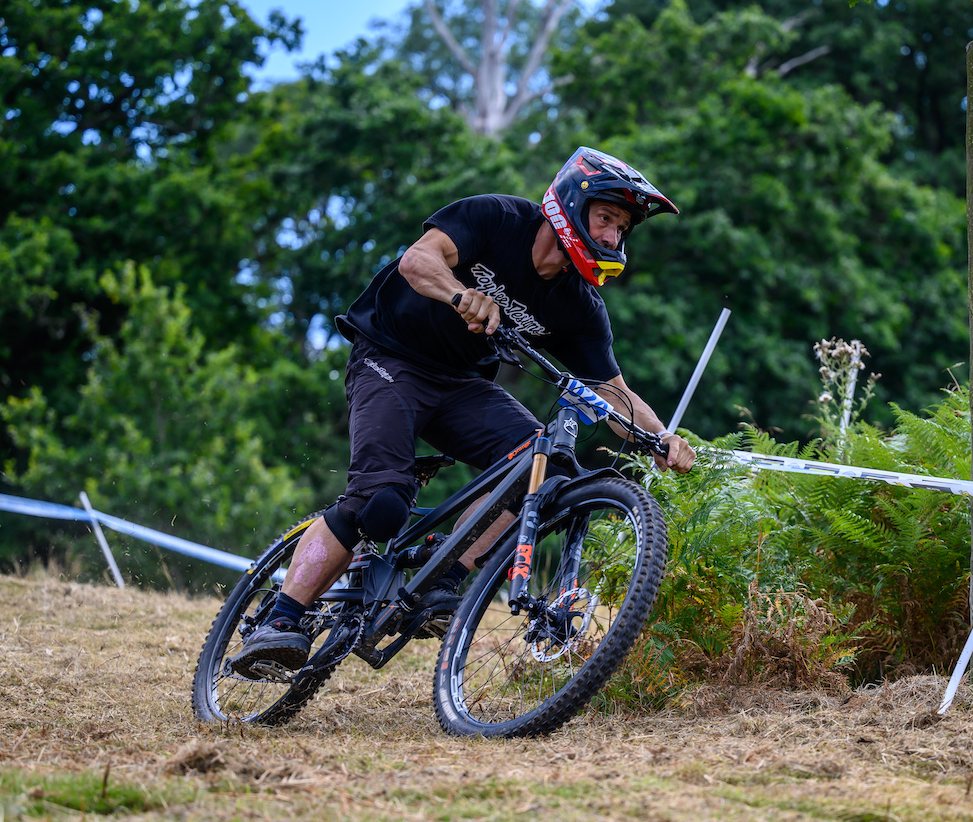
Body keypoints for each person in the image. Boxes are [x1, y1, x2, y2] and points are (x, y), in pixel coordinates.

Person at [234, 147, 697, 679]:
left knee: (545, 468)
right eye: (606, 218)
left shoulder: (579, 305)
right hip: (390, 358)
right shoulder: (497, 217)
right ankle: (281, 618)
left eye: (622, 228)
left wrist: (663, 438)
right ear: (573, 202)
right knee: (380, 505)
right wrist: (461, 296)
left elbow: (611, 391)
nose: (613, 237)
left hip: (461, 387)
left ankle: (445, 579)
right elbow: (417, 261)